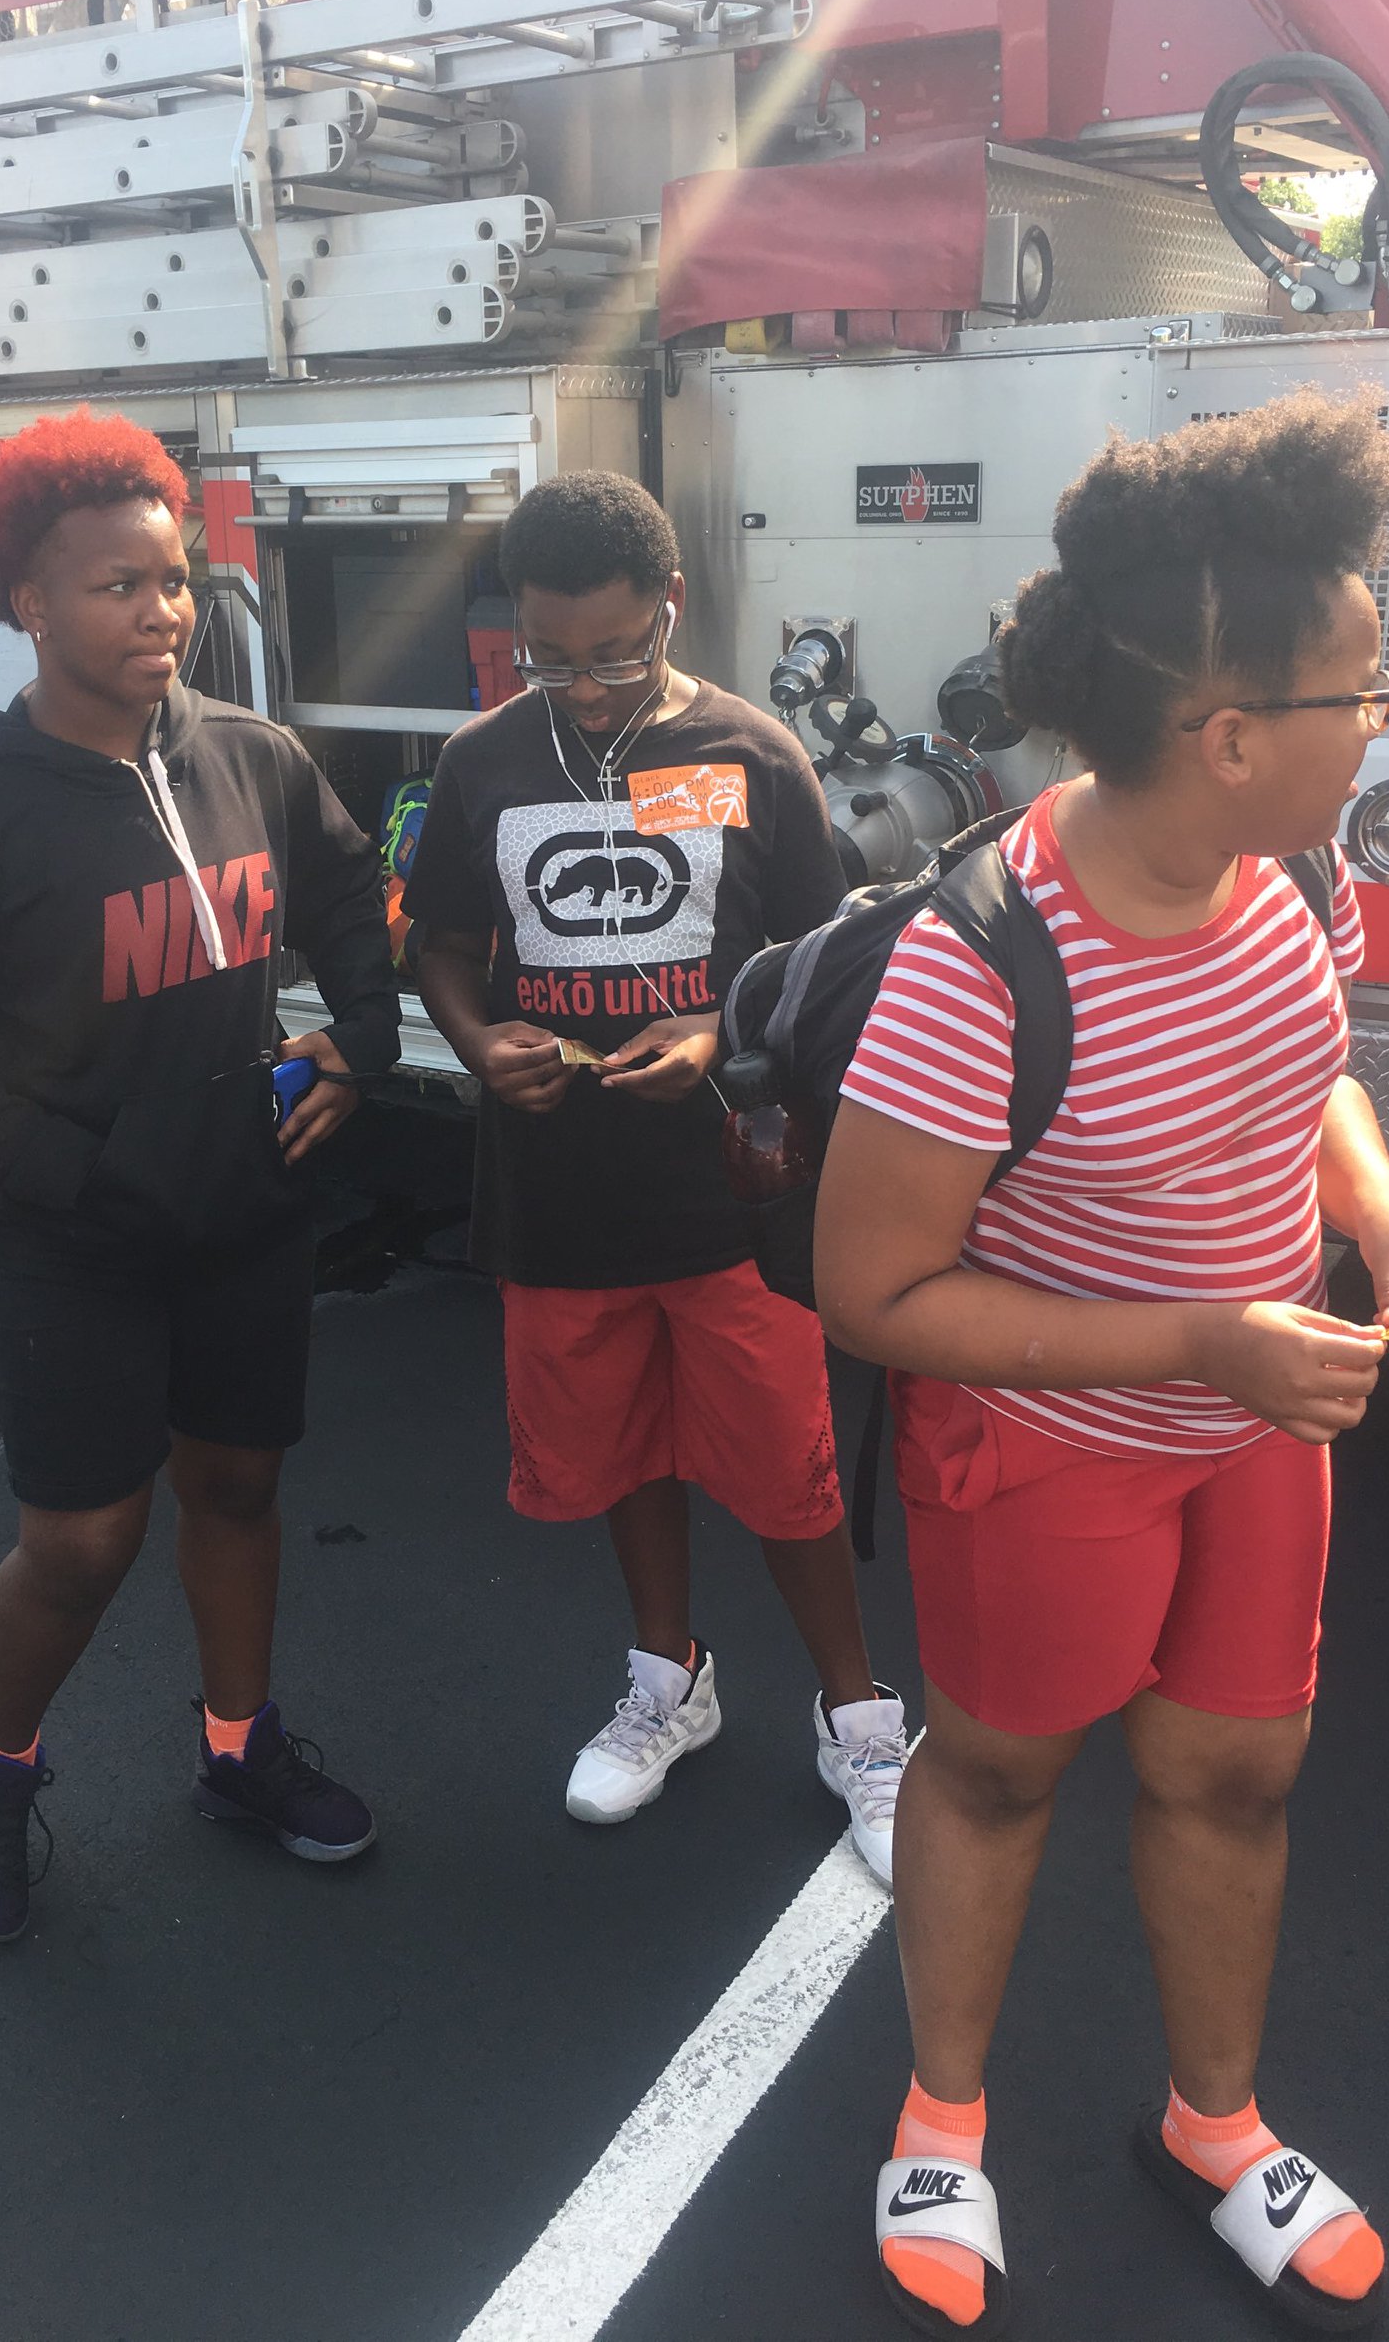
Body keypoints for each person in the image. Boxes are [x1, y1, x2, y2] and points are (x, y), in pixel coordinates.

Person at [814, 392, 1389, 2338]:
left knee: (1234, 1774)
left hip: (1256, 1429)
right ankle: (940, 2119)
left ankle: (1214, 2123)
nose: (1380, 723)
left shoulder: (1289, 873)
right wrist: (1196, 1338)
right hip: (1048, 1445)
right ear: (1228, 735)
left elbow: (1312, 1067)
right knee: (1002, 1771)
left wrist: (1371, 1211)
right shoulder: (977, 963)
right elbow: (872, 1293)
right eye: (1359, 693)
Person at [0, 409, 400, 1945]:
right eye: (117, 588)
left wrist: (355, 1038)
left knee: (235, 1481)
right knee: (84, 1540)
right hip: (73, 1240)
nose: (161, 613)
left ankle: (238, 1754)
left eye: (174, 582)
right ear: (27, 601)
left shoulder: (252, 757)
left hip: (246, 1215)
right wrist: (86, 1172)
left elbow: (351, 888)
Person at [407, 471, 909, 1875]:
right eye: (547, 656)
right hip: (559, 1195)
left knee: (789, 1472)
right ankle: (667, 1682)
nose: (579, 683)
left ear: (670, 609)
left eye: (614, 652)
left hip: (732, 1199)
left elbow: (824, 970)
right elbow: (441, 940)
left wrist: (717, 1029)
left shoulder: (751, 753)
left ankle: (861, 1716)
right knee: (622, 1453)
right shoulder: (484, 763)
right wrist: (475, 1036)